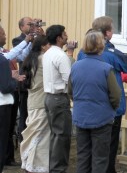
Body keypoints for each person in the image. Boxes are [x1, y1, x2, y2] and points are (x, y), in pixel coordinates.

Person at [77, 16, 127, 173]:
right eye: (112, 29)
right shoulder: (111, 54)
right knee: (107, 151)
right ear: (107, 33)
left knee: (85, 151)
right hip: (108, 110)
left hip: (85, 109)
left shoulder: (81, 54)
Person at [68, 30, 121, 173]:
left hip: (81, 117)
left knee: (83, 156)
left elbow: (70, 91)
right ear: (101, 46)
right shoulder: (106, 68)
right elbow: (116, 96)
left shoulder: (75, 67)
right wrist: (112, 110)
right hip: (102, 118)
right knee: (100, 158)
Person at [43, 25, 73, 173]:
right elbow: (69, 80)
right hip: (59, 98)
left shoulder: (48, 53)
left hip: (49, 97)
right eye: (64, 34)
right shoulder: (60, 56)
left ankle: (53, 167)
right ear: (59, 38)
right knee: (62, 136)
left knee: (55, 135)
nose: (67, 36)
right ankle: (58, 169)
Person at [19, 35, 51, 173]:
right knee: (40, 138)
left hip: (32, 102)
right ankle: (35, 166)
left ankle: (28, 163)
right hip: (41, 102)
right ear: (43, 46)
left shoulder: (30, 59)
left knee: (33, 134)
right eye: (49, 44)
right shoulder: (43, 59)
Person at [0, 24, 25, 173]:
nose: (5, 36)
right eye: (3, 34)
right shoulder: (2, 61)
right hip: (2, 106)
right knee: (2, 142)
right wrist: (14, 79)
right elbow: (5, 87)